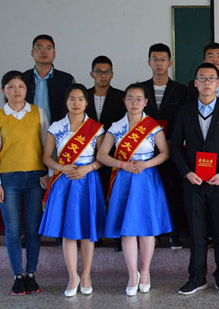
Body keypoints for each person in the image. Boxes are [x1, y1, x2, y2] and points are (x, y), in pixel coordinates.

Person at [170, 63, 219, 296]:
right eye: (202, 78)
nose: (207, 82)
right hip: (193, 182)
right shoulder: (185, 111)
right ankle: (196, 278)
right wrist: (186, 172)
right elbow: (175, 146)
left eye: (211, 78)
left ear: (218, 83)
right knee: (197, 233)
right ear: (195, 83)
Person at [98, 84, 173, 296]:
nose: (134, 103)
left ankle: (145, 271)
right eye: (130, 98)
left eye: (139, 99)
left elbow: (165, 153)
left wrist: (145, 164)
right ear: (124, 101)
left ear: (146, 102)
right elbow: (102, 155)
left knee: (146, 228)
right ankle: (132, 273)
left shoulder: (153, 127)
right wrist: (122, 164)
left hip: (146, 178)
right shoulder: (116, 127)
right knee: (128, 228)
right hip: (123, 178)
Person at [0, 71, 49, 296]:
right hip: (8, 179)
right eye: (11, 87)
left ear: (27, 89)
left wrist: (49, 173)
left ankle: (31, 274)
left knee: (33, 229)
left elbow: (47, 145)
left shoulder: (38, 113)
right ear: (3, 90)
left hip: (36, 177)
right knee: (12, 229)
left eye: (20, 86)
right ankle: (17, 275)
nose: (16, 91)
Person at [40, 83, 105, 297]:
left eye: (80, 99)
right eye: (72, 99)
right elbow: (47, 157)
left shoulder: (96, 128)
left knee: (86, 230)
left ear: (86, 102)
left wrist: (88, 168)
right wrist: (61, 168)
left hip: (87, 181)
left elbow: (102, 158)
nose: (76, 103)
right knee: (68, 232)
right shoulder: (56, 127)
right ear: (66, 102)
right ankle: (72, 277)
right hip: (64, 181)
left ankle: (85, 275)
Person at [140, 43, 188, 250]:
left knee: (172, 191)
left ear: (170, 63)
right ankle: (152, 231)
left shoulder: (182, 90)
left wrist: (173, 142)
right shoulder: (140, 89)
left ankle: (173, 232)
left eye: (162, 59)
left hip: (173, 149)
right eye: (155, 59)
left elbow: (185, 120)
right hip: (144, 152)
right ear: (148, 62)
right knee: (148, 192)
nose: (159, 63)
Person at [84, 55, 125, 212]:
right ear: (92, 73)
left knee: (112, 194)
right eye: (99, 72)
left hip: (112, 154)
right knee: (90, 197)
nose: (103, 75)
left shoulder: (121, 97)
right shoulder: (82, 96)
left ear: (112, 74)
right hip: (86, 154)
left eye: (107, 72)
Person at [23, 34, 74, 123]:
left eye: (49, 48)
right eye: (39, 48)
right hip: (26, 129)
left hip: (58, 129)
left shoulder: (66, 80)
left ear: (54, 54)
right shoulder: (22, 79)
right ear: (32, 53)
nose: (44, 51)